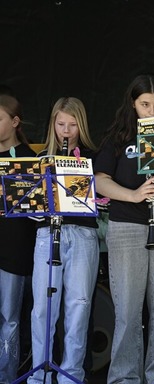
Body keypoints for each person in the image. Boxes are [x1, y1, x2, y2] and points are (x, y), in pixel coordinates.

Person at [94, 73, 154, 383]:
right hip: (127, 226)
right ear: (133, 104)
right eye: (145, 105)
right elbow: (100, 179)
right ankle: (124, 377)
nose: (152, 112)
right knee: (128, 309)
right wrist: (133, 194)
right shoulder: (118, 136)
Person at [26, 97, 100, 384]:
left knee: (79, 306)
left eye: (72, 125)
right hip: (47, 234)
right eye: (60, 124)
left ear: (81, 126)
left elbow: (100, 202)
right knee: (43, 308)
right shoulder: (42, 157)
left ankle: (71, 376)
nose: (66, 131)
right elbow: (30, 209)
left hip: (82, 235)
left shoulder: (93, 157)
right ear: (52, 125)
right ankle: (40, 375)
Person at [0, 94, 37, 383]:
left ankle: (6, 375)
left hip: (14, 251)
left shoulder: (28, 157)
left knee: (9, 319)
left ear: (14, 122)